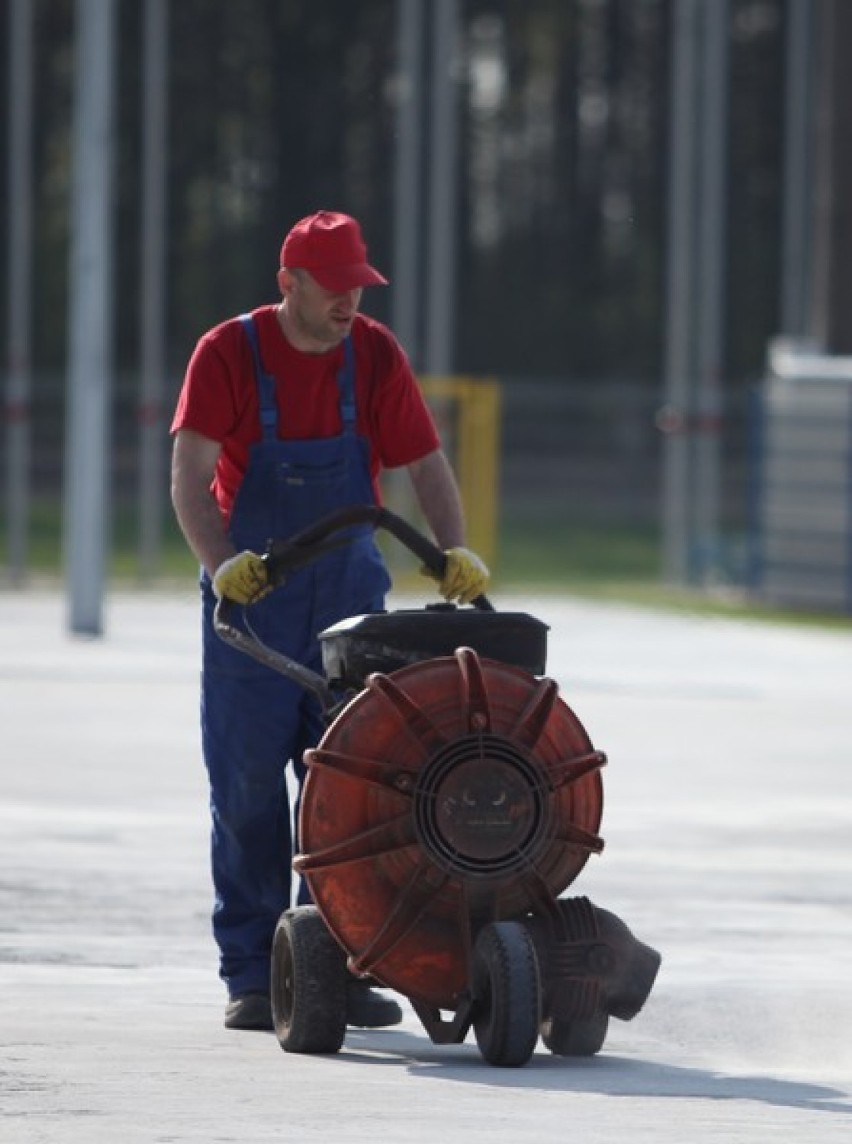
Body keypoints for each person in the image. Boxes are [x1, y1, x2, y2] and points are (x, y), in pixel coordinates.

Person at [170, 210, 489, 1032]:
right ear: (290, 283)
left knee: (351, 789)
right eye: (335, 286)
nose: (351, 299)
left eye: (360, 285)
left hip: (348, 601)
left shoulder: (375, 353)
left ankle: (339, 965)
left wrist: (454, 551)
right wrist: (221, 567)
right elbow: (189, 475)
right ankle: (252, 972)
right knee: (245, 788)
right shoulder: (227, 352)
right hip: (255, 598)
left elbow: (423, 461)